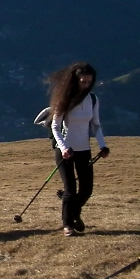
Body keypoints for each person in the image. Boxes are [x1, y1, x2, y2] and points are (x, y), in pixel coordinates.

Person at [48, 62, 109, 237]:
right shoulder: (64, 100)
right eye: (83, 81)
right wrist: (64, 147)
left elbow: (96, 125)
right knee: (70, 189)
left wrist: (102, 145)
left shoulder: (93, 100)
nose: (86, 85)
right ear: (75, 81)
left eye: (89, 82)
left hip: (84, 150)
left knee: (87, 189)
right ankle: (68, 225)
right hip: (65, 151)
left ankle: (74, 214)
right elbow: (55, 127)